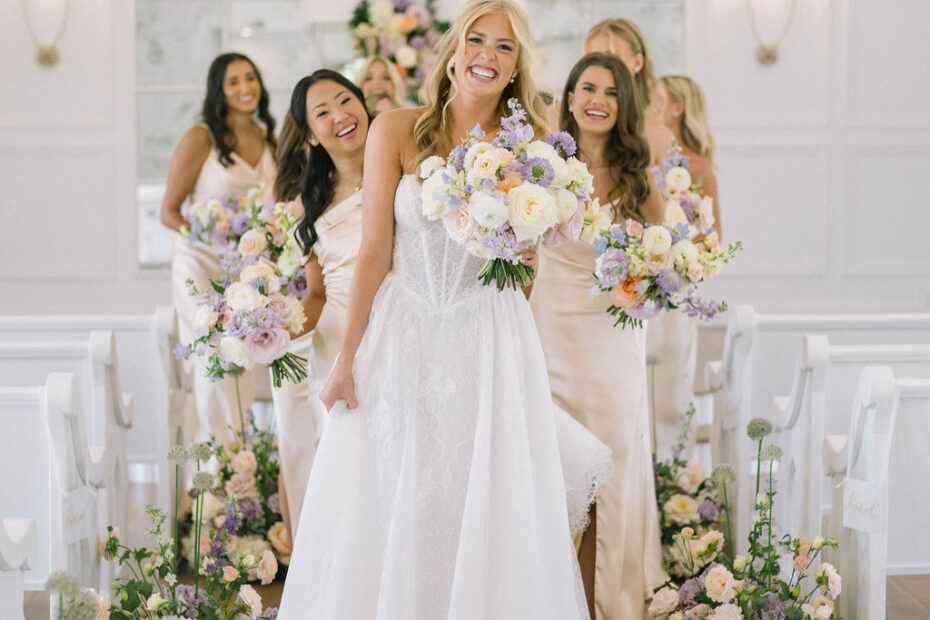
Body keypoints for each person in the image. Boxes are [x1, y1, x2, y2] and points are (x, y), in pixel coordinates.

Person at [278, 1, 610, 617]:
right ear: (455, 51)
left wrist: (518, 273)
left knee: (479, 496)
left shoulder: (536, 147)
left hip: (488, 334)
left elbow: (526, 266)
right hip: (403, 332)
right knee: (397, 493)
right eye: (477, 40)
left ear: (515, 68)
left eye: (504, 47)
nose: (487, 54)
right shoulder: (397, 129)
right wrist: (345, 358)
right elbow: (376, 250)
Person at [530, 52, 666, 620]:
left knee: (610, 466)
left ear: (623, 105)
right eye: (588, 88)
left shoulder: (639, 177)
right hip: (546, 331)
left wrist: (643, 284)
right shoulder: (540, 164)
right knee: (553, 469)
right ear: (568, 97)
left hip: (612, 339)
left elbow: (662, 266)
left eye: (611, 93)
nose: (598, 101)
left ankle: (605, 604)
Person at [269, 70, 371, 541]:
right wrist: (278, 328)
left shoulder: (411, 174)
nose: (340, 117)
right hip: (334, 346)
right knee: (348, 476)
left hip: (398, 330)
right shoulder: (307, 205)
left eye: (345, 100)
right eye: (323, 113)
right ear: (311, 133)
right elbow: (316, 294)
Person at [160, 52, 276, 446]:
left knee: (243, 356)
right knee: (213, 353)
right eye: (234, 82)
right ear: (219, 91)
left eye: (251, 78)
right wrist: (212, 235)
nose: (245, 88)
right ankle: (213, 468)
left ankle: (244, 459)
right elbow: (169, 212)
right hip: (201, 262)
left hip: (246, 267)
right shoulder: (201, 137)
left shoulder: (270, 139)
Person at [648, 74, 721, 460]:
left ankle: (674, 477)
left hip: (676, 294)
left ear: (678, 106)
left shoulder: (698, 167)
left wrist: (682, 257)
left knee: (672, 394)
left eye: (657, 98)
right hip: (640, 288)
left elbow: (713, 240)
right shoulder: (642, 157)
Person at [584, 18, 675, 165]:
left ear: (638, 62)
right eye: (593, 59)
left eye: (612, 57)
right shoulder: (561, 121)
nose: (602, 66)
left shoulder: (659, 136)